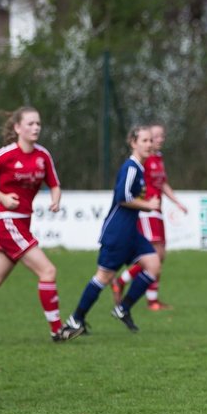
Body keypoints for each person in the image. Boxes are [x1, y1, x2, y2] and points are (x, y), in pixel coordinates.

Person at [0, 107, 77, 342]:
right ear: (17, 127)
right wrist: (2, 197)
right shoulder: (7, 154)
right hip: (8, 222)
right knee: (48, 270)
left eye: (38, 123)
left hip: (23, 224)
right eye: (30, 124)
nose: (36, 128)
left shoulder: (43, 155)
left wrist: (56, 199)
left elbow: (54, 183)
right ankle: (58, 330)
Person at [60, 126, 163, 336]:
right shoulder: (131, 168)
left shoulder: (140, 169)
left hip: (131, 233)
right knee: (103, 277)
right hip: (117, 232)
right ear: (133, 143)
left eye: (151, 140)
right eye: (144, 140)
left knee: (153, 264)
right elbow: (122, 198)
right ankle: (75, 319)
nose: (149, 144)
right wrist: (148, 205)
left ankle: (122, 308)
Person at [112, 122, 187, 310]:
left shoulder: (158, 158)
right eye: (154, 137)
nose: (159, 140)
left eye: (162, 136)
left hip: (157, 210)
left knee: (160, 256)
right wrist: (143, 203)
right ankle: (141, 293)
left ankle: (132, 286)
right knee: (155, 255)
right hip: (147, 210)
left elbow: (163, 183)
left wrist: (177, 202)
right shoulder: (143, 161)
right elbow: (132, 187)